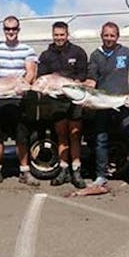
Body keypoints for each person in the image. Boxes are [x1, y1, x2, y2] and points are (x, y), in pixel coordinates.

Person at [0, 15, 40, 187]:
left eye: (14, 29)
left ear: (18, 30)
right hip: (0, 100)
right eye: (7, 29)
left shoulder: (27, 50)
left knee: (22, 138)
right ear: (4, 30)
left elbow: (31, 72)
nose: (10, 32)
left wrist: (24, 84)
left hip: (20, 100)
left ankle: (25, 172)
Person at [86, 22, 129, 191]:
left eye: (112, 35)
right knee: (100, 140)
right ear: (101, 36)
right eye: (106, 35)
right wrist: (86, 95)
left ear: (117, 36)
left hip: (124, 102)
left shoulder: (125, 52)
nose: (109, 38)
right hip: (102, 104)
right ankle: (100, 176)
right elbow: (91, 80)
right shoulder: (95, 55)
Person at [37, 21, 87, 188]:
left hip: (74, 100)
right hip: (56, 101)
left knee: (75, 135)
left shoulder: (78, 52)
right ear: (53, 35)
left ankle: (76, 170)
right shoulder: (45, 55)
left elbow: (82, 76)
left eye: (62, 35)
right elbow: (41, 77)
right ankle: (63, 170)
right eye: (56, 35)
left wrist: (75, 84)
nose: (59, 38)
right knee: (61, 136)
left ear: (67, 35)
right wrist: (43, 89)